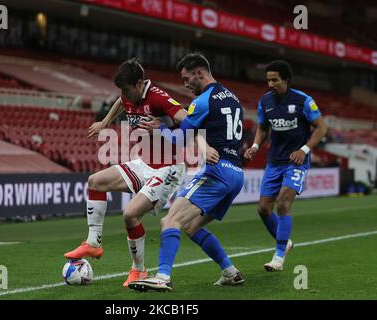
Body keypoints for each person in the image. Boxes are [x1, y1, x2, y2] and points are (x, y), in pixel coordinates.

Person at [64, 58, 216, 287]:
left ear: (139, 84)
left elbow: (190, 122)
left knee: (129, 215)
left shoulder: (158, 98)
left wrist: (200, 146)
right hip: (144, 163)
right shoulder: (128, 94)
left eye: (126, 90)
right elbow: (119, 101)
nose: (124, 95)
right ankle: (93, 243)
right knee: (95, 181)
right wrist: (105, 122)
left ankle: (139, 270)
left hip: (169, 168)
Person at [128, 53, 245, 292]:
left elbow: (181, 140)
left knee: (170, 220)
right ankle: (230, 272)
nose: (185, 84)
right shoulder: (233, 97)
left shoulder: (202, 102)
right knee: (192, 226)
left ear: (199, 73)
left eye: (187, 78)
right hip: (236, 173)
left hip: (218, 173)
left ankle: (162, 277)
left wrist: (160, 129)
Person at [244, 60, 328, 271]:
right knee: (263, 208)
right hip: (274, 161)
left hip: (296, 162)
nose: (270, 84)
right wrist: (255, 146)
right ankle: (286, 241)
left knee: (283, 204)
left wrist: (304, 150)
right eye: (268, 80)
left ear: (286, 80)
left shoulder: (303, 101)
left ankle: (279, 256)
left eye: (275, 80)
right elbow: (263, 128)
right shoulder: (265, 101)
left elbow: (320, 128)